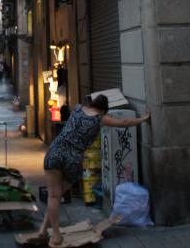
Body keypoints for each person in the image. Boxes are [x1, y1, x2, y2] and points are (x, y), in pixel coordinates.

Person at [37, 94, 150, 247]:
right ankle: (55, 236)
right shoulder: (99, 119)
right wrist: (143, 119)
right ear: (103, 110)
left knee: (53, 196)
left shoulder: (78, 108)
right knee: (57, 195)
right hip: (72, 158)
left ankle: (45, 230)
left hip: (54, 152)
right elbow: (124, 122)